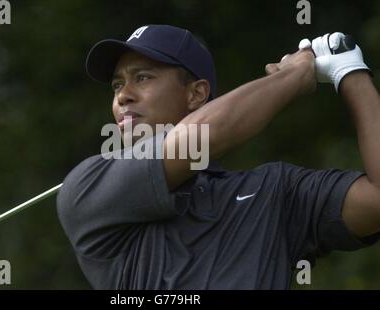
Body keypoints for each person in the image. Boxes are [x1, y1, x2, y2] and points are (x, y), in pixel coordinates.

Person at [56, 25, 380, 289]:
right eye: (117, 85)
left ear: (196, 94)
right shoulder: (88, 186)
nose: (123, 95)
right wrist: (292, 76)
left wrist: (350, 71)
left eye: (143, 77)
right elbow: (202, 138)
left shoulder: (274, 192)